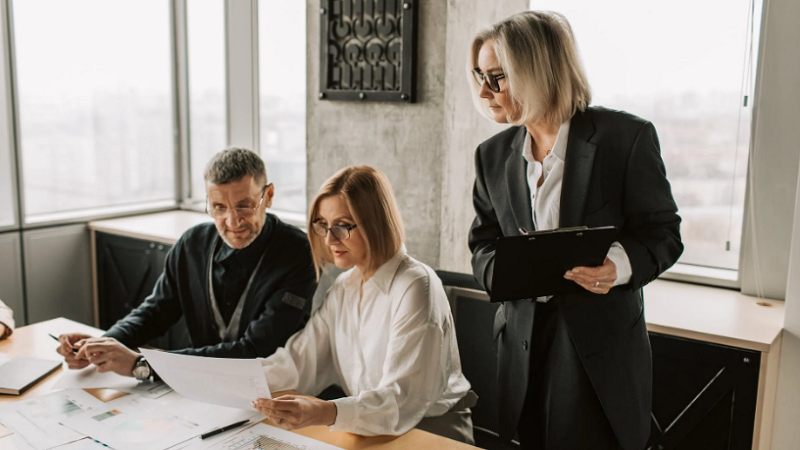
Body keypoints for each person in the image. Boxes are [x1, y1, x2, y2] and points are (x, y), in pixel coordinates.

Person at [467, 11, 683, 450]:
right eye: (479, 76)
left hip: (597, 352)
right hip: (521, 345)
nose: (484, 92)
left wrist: (616, 266)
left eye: (497, 77)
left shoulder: (626, 138)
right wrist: (504, 274)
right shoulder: (491, 156)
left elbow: (663, 234)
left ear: (538, 71)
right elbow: (482, 243)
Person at [253, 166, 475, 444]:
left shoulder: (416, 286)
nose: (330, 239)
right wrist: (241, 381)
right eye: (323, 225)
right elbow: (298, 361)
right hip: (368, 431)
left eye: (343, 226)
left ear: (375, 222)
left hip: (431, 433)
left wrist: (325, 411)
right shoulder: (344, 287)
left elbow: (399, 398)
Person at [56, 148, 317, 380]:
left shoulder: (299, 252)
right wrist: (105, 343)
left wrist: (143, 365)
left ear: (268, 196)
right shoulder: (192, 243)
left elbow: (256, 350)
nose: (232, 221)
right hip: (196, 386)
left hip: (273, 391)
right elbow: (155, 311)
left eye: (244, 206)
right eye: (218, 207)